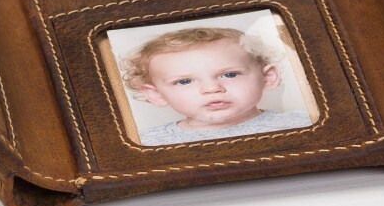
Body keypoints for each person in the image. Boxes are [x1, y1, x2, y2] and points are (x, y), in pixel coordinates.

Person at [121, 26, 312, 145]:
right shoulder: (145, 143)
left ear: (268, 77)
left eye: (229, 74)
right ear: (156, 95)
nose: (212, 89)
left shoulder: (303, 124)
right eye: (184, 81)